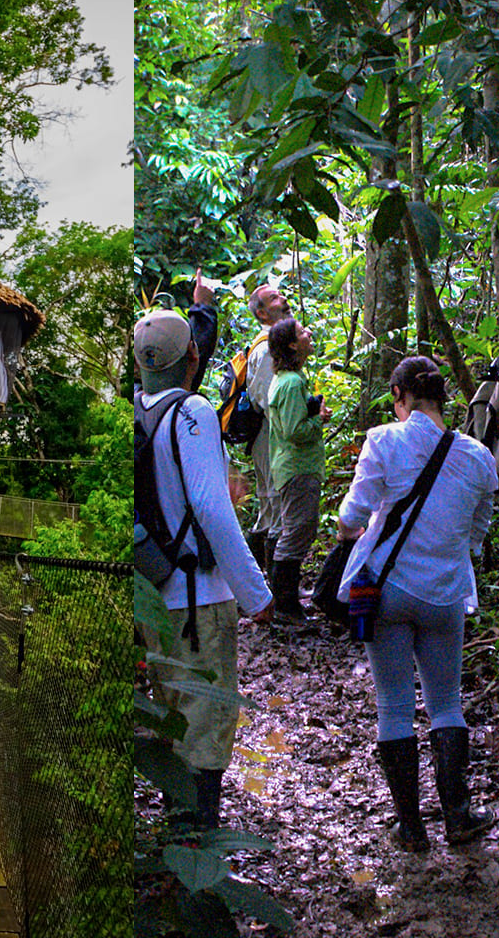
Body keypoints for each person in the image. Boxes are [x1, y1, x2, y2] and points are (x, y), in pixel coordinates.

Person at [336, 357, 498, 849]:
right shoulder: (477, 457)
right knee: (447, 703)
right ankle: (458, 816)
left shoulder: (385, 439)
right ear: (442, 399)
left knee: (394, 707)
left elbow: (352, 514)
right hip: (446, 593)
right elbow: (478, 531)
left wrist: (354, 533)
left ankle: (410, 827)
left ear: (398, 396)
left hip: (387, 592)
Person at [131, 309, 272, 829]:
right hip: (199, 599)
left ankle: (177, 840)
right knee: (205, 726)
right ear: (192, 357)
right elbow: (213, 508)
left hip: (155, 594)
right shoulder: (192, 412)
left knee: (173, 718)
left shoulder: (139, 414)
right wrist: (257, 594)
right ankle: (196, 857)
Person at [265, 316, 330, 621]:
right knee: (298, 530)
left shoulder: (290, 380)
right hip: (297, 467)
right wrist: (318, 420)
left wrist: (314, 409)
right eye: (302, 332)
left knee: (293, 529)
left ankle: (282, 600)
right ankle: (285, 606)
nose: (309, 333)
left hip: (293, 467)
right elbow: (295, 431)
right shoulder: (291, 383)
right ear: (292, 344)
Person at [243, 284, 291, 571]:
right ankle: (276, 589)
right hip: (269, 436)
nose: (283, 299)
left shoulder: (275, 345)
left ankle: (259, 580)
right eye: (274, 298)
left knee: (269, 507)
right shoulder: (266, 350)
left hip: (270, 435)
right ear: (262, 313)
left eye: (280, 294)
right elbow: (267, 400)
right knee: (275, 504)